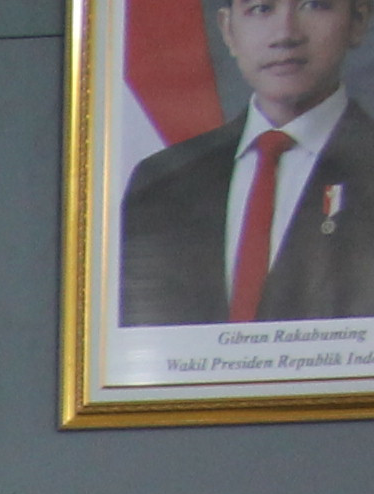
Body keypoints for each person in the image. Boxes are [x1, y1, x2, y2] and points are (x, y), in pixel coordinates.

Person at [118, 0, 373, 325]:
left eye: (313, 5)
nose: (285, 34)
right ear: (228, 29)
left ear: (358, 21)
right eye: (261, 9)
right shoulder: (159, 184)